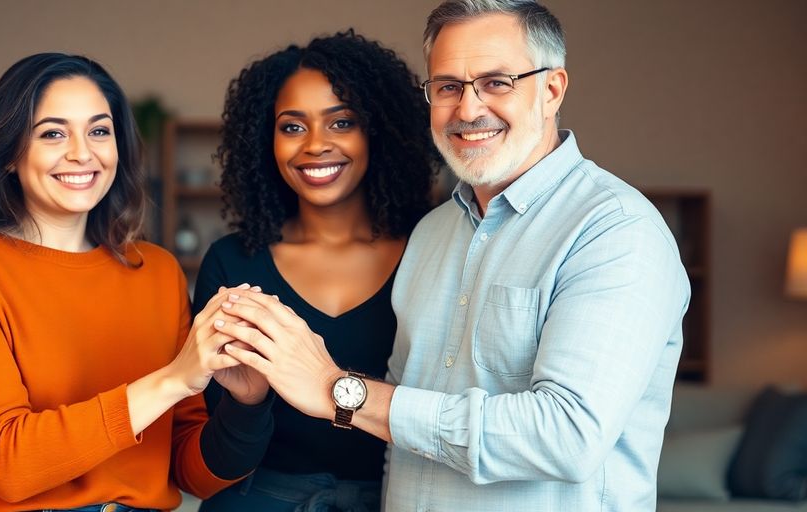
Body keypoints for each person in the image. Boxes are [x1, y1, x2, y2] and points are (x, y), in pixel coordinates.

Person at [214, 1, 691, 511]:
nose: (467, 109)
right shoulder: (432, 233)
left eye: (497, 82)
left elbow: (568, 435)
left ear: (551, 90)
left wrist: (337, 390)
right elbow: (401, 427)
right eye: (447, 87)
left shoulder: (614, 230)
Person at [0, 53, 274, 512]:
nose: (82, 153)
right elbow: (10, 465)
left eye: (99, 131)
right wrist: (175, 379)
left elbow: (188, 471)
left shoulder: (156, 271)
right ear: (9, 153)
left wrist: (246, 404)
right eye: (53, 133)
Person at [194, 30, 435, 511]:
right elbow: (216, 461)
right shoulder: (232, 263)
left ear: (377, 131)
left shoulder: (433, 251)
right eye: (292, 126)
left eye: (341, 122)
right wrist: (247, 403)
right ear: (267, 140)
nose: (316, 145)